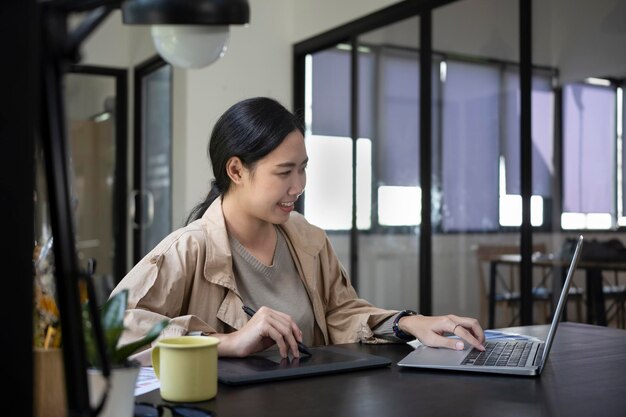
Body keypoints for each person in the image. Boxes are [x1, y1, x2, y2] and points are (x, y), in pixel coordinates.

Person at [111, 97, 485, 364]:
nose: (299, 185)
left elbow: (341, 313)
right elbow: (114, 328)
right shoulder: (188, 249)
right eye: (284, 172)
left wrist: (408, 323)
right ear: (237, 170)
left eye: (303, 168)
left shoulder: (308, 239)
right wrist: (226, 342)